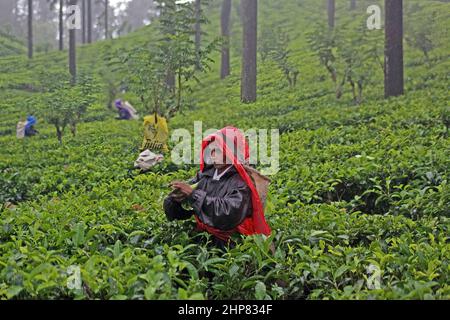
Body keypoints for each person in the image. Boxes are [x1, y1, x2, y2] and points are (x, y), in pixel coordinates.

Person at [163, 127, 271, 248]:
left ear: (231, 152)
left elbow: (229, 212)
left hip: (229, 245)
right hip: (203, 237)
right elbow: (187, 210)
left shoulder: (242, 182)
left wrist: (193, 194)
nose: (213, 155)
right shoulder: (205, 175)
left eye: (218, 151)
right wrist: (175, 199)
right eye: (212, 151)